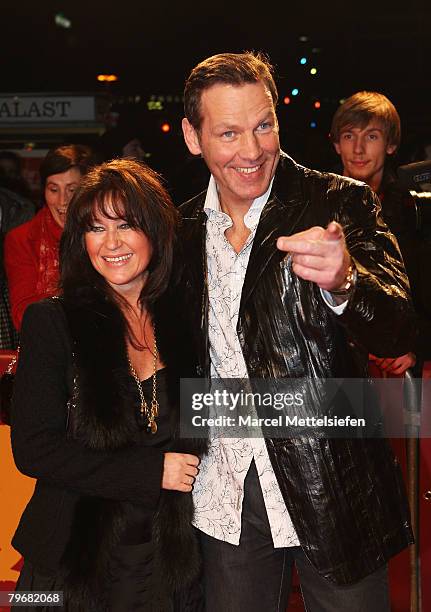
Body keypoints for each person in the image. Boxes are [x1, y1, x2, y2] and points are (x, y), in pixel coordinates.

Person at [176, 52, 415, 611]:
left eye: (263, 126)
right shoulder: (179, 229)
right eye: (229, 132)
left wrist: (347, 281)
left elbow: (399, 327)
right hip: (226, 489)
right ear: (193, 137)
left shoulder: (337, 201)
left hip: (330, 480)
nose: (252, 150)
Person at [11, 159, 204, 611]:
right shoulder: (53, 322)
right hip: (70, 564)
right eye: (96, 229)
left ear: (155, 231)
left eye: (125, 225)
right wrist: (149, 472)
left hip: (164, 559)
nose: (111, 243)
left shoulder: (187, 322)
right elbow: (34, 448)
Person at [330, 91, 431, 370]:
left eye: (372, 136)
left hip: (399, 371)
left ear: (390, 145)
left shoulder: (414, 212)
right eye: (349, 136)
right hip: (335, 367)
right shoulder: (314, 206)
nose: (359, 149)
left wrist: (415, 347)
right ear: (337, 144)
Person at [4, 144, 93, 331]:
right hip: (48, 347)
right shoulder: (22, 239)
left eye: (72, 189)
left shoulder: (104, 233)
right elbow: (23, 314)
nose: (62, 201)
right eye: (54, 189)